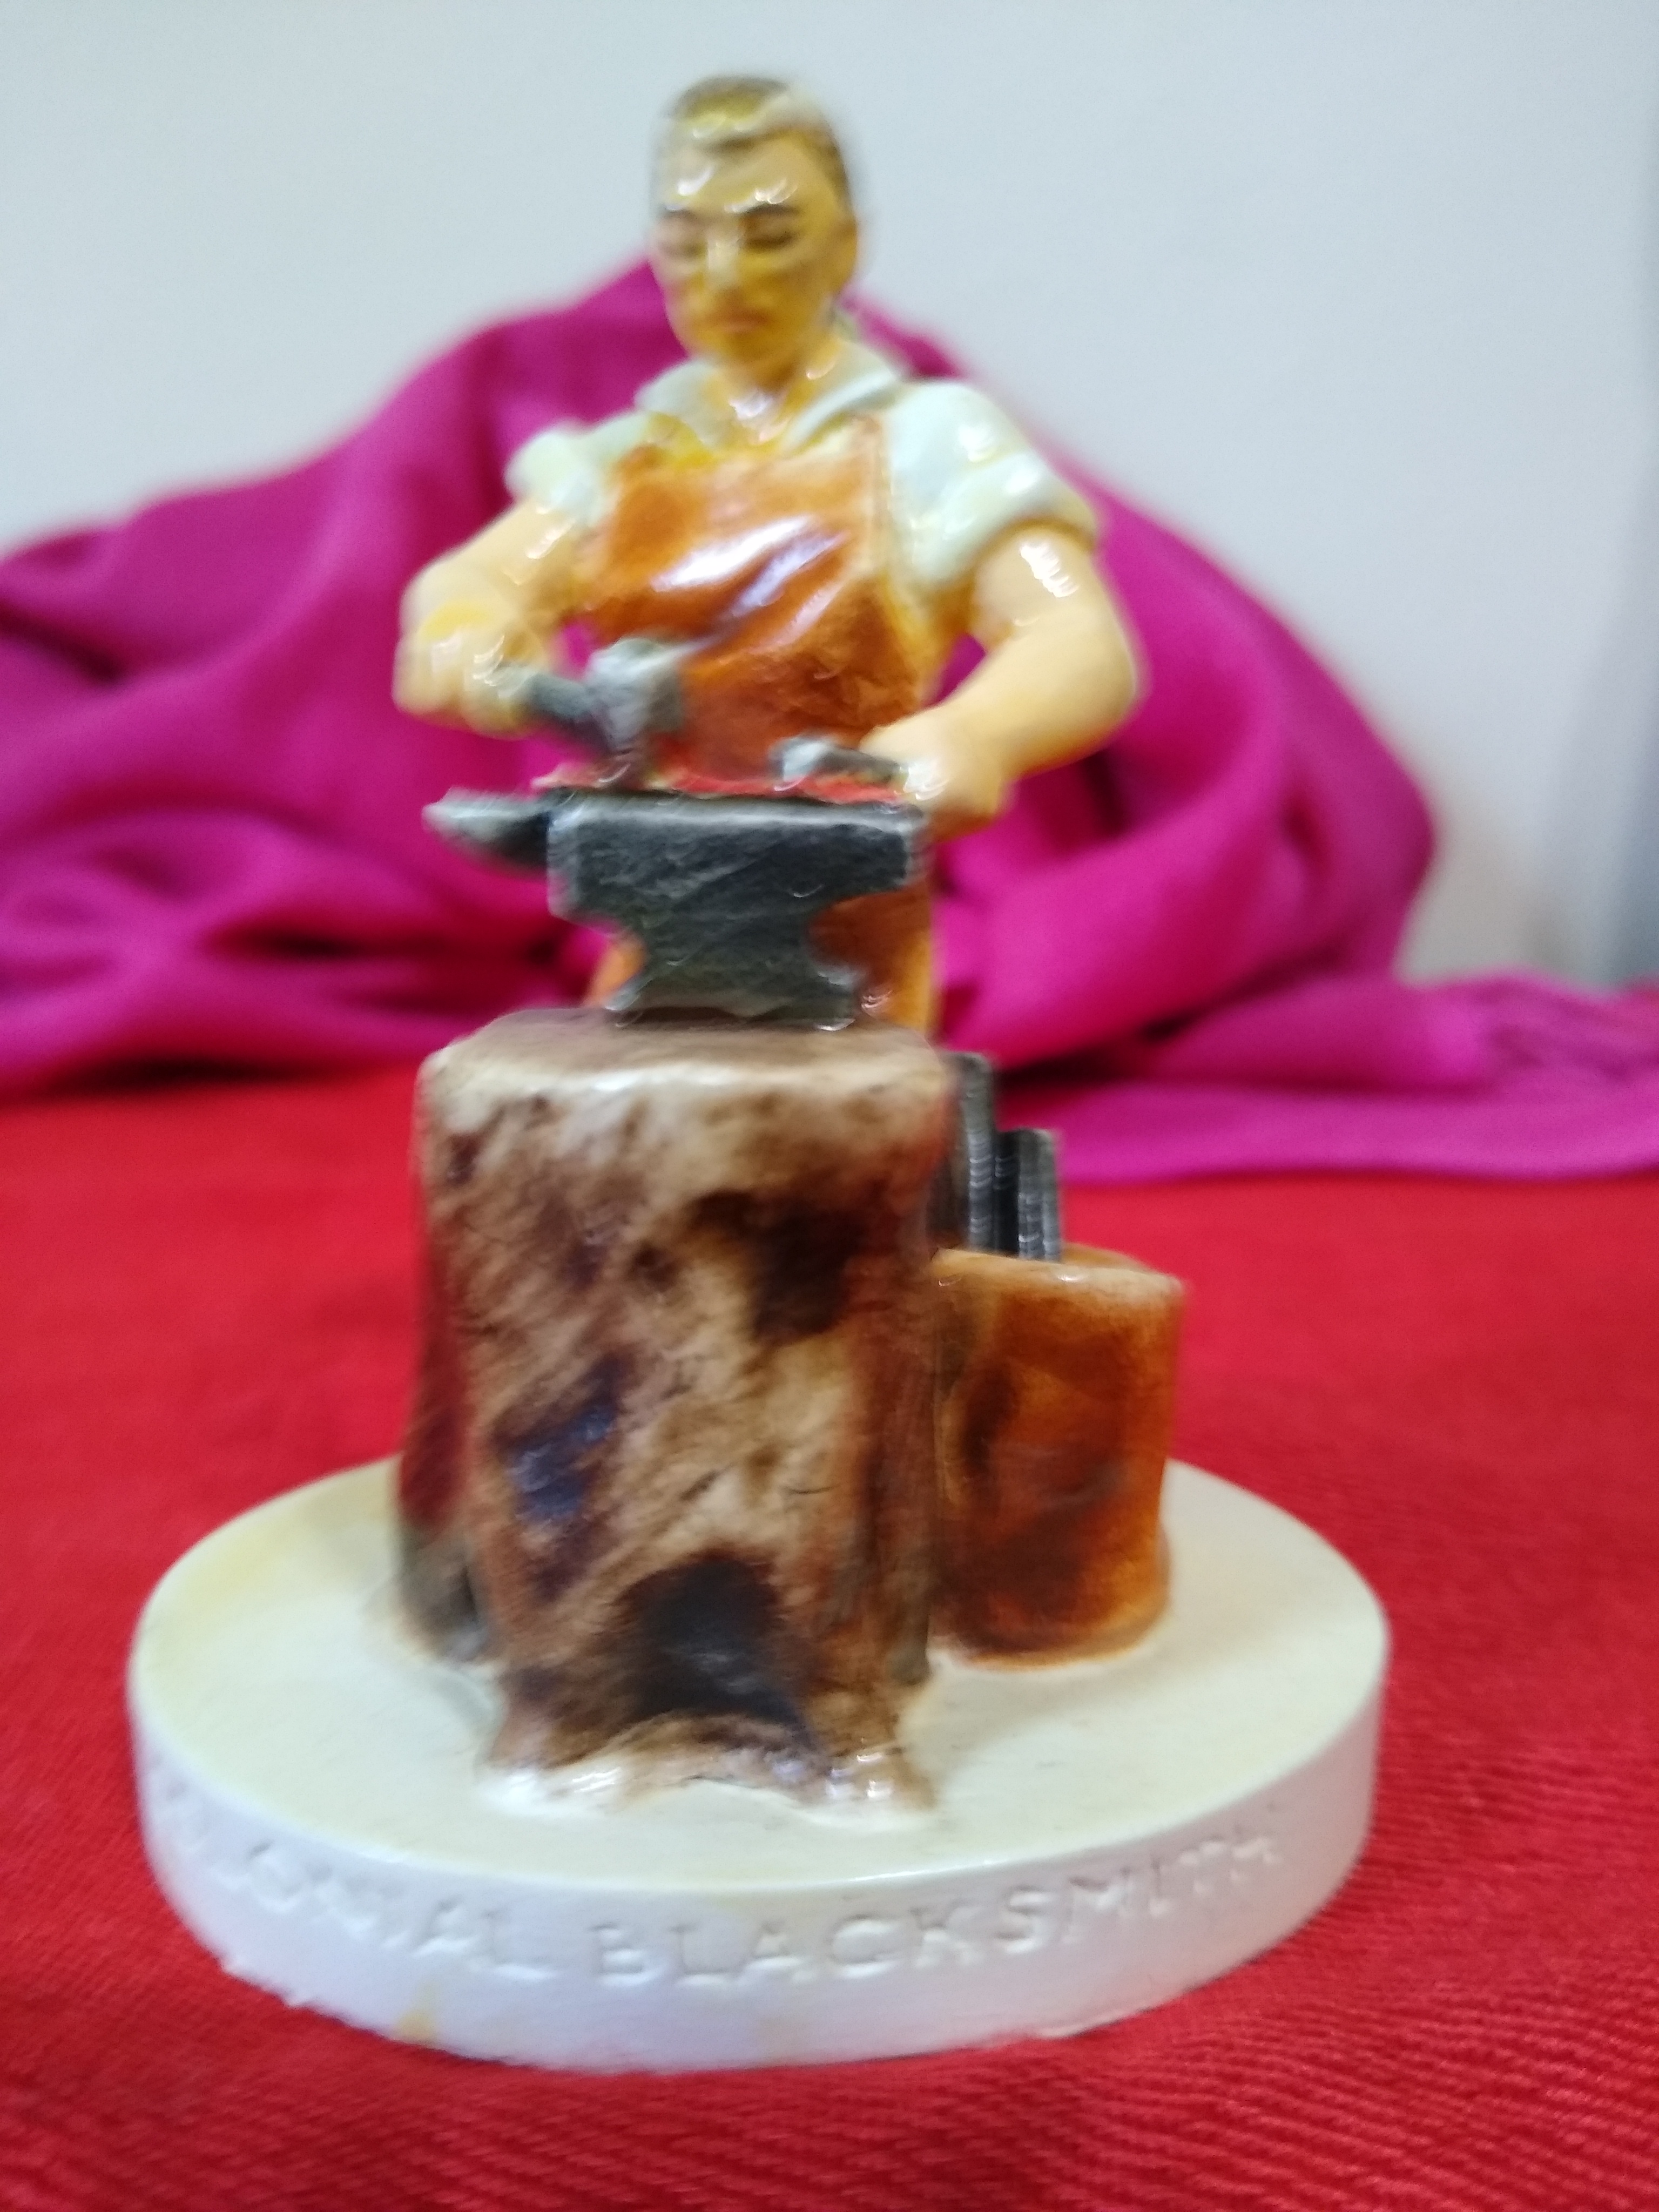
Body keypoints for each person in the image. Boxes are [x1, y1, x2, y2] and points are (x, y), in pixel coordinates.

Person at [395, 75, 1140, 1026]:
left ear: (847, 245)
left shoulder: (929, 446)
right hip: (659, 911)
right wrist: (470, 627)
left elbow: (1078, 641)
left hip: (846, 937)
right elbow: (485, 578)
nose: (724, 272)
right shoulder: (620, 465)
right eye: (687, 241)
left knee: (847, 1096)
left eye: (770, 235)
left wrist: (977, 733)